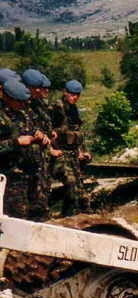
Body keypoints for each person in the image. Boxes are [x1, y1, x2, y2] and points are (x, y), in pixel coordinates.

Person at [2, 78, 50, 218]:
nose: (23, 105)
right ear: (7, 97)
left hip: (29, 174)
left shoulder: (20, 114)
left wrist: (39, 136)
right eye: (19, 101)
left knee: (37, 213)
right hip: (10, 178)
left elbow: (30, 130)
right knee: (17, 220)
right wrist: (16, 142)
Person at [49, 79, 91, 216]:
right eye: (72, 94)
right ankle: (69, 215)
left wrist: (83, 151)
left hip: (72, 154)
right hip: (59, 153)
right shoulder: (56, 108)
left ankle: (70, 215)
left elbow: (77, 132)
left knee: (81, 191)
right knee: (71, 184)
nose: (75, 97)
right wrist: (51, 148)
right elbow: (45, 129)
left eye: (77, 95)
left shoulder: (74, 110)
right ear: (65, 92)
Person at [22, 69, 59, 220]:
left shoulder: (38, 105)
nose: (43, 90)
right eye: (38, 87)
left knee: (41, 197)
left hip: (40, 159)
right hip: (27, 163)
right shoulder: (23, 105)